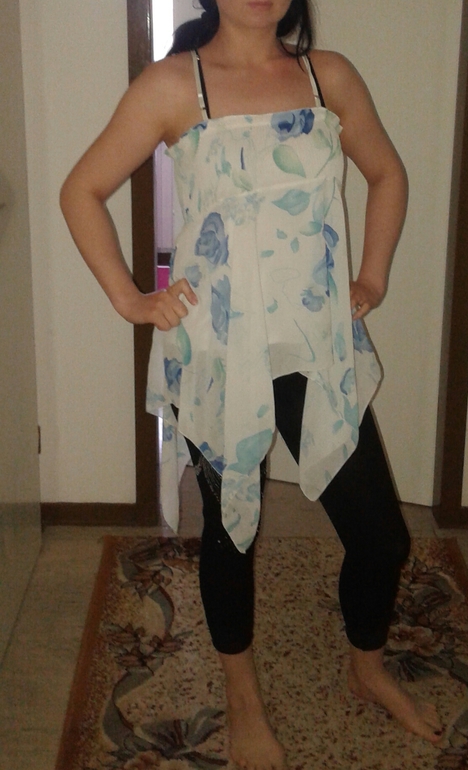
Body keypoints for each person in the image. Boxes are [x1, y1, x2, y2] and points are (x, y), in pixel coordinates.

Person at [60, 1, 443, 767]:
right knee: (231, 530)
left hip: (313, 346)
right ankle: (242, 699)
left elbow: (386, 173)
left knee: (380, 534)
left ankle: (366, 667)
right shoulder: (172, 85)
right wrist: (131, 299)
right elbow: (82, 191)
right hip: (217, 353)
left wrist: (370, 277)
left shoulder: (326, 76)